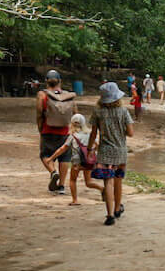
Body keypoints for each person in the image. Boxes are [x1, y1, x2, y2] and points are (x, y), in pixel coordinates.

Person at [88, 81, 134, 226]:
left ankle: (109, 215)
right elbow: (131, 133)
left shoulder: (98, 112)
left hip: (104, 151)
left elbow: (93, 133)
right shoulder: (123, 111)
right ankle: (117, 208)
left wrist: (90, 149)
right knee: (118, 180)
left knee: (108, 182)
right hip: (120, 151)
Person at [48, 113, 103, 205]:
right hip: (88, 160)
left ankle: (75, 200)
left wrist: (51, 158)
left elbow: (63, 148)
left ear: (72, 123)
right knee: (88, 182)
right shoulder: (89, 134)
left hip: (77, 162)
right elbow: (98, 145)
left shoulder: (73, 136)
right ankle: (103, 189)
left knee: (73, 180)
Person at [36, 70, 76, 194]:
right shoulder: (68, 95)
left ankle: (53, 172)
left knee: (45, 155)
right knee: (65, 157)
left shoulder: (42, 95)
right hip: (65, 131)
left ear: (46, 81)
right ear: (60, 81)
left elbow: (39, 114)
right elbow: (75, 113)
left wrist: (40, 129)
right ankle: (62, 186)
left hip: (48, 130)